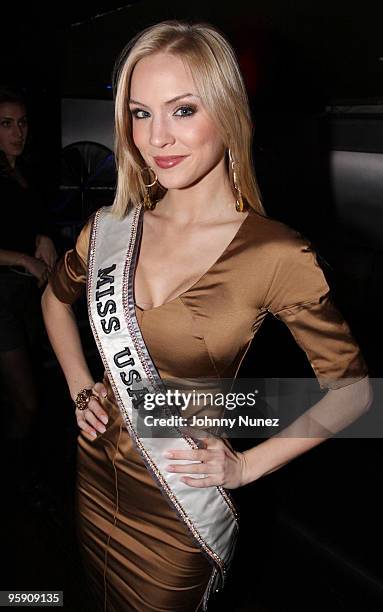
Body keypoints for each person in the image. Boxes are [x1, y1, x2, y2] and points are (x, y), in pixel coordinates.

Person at [41, 20, 372, 612]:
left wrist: (245, 467)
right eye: (140, 114)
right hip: (93, 476)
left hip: (179, 505)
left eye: (183, 110)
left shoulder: (274, 253)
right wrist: (79, 387)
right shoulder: (110, 227)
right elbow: (53, 298)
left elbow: (354, 394)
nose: (156, 138)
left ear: (228, 112)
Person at [0, 86, 57, 466]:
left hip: (23, 298)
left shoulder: (21, 173)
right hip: (1, 300)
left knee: (25, 396)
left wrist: (44, 238)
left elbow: (24, 225)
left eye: (21, 123)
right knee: (26, 401)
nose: (17, 132)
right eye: (6, 124)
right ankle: (16, 480)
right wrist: (26, 259)